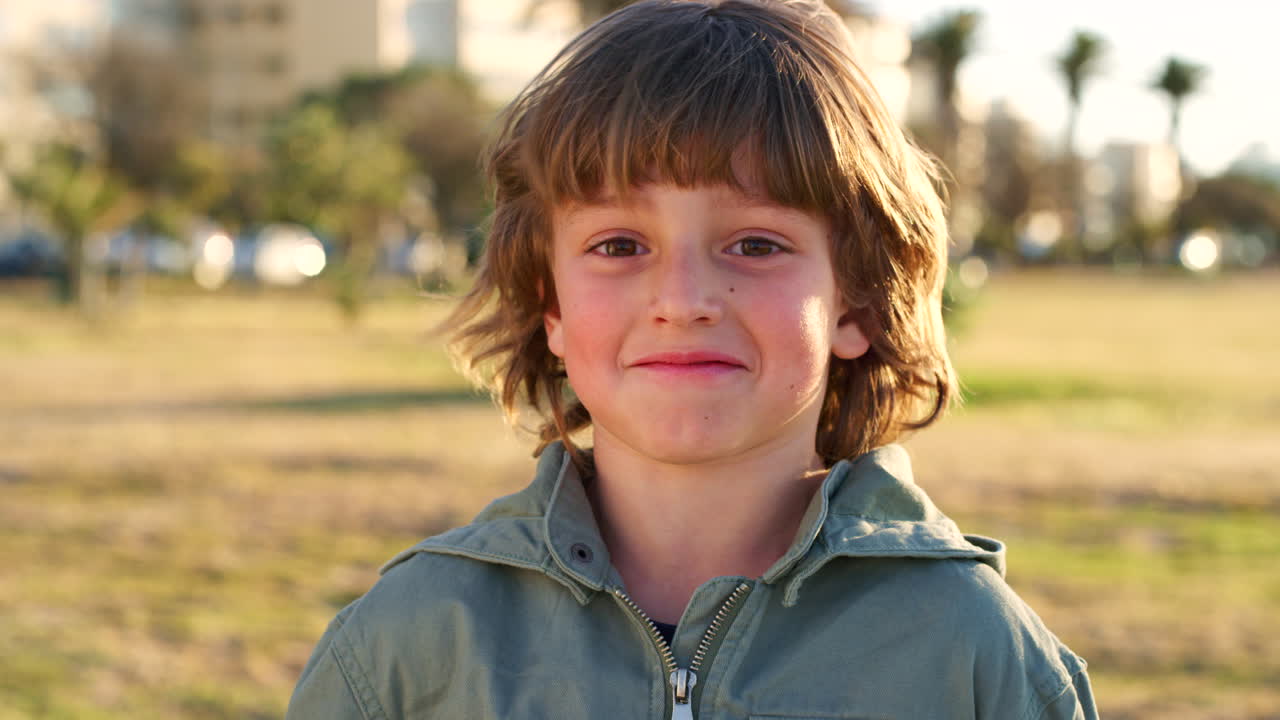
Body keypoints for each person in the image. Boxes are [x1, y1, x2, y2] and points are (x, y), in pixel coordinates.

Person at [286, 1, 1097, 718]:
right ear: (551, 305)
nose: (683, 299)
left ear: (856, 304)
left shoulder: (975, 655)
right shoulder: (408, 649)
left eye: (755, 244)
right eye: (619, 245)